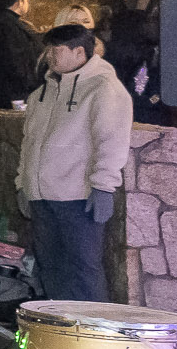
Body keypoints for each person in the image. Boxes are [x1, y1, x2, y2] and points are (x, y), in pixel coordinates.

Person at [16, 24, 133, 302]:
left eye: (56, 50)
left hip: (77, 198)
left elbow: (111, 140)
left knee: (83, 270)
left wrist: (104, 187)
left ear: (79, 51)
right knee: (51, 268)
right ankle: (62, 334)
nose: (48, 57)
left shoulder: (103, 88)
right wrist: (24, 184)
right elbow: (29, 143)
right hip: (42, 198)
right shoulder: (42, 93)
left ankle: (96, 335)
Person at [0, 0, 42, 102]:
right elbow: (15, 58)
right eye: (27, 0)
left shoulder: (1, 22)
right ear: (20, 2)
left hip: (4, 87)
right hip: (13, 91)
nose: (28, 4)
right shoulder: (7, 25)